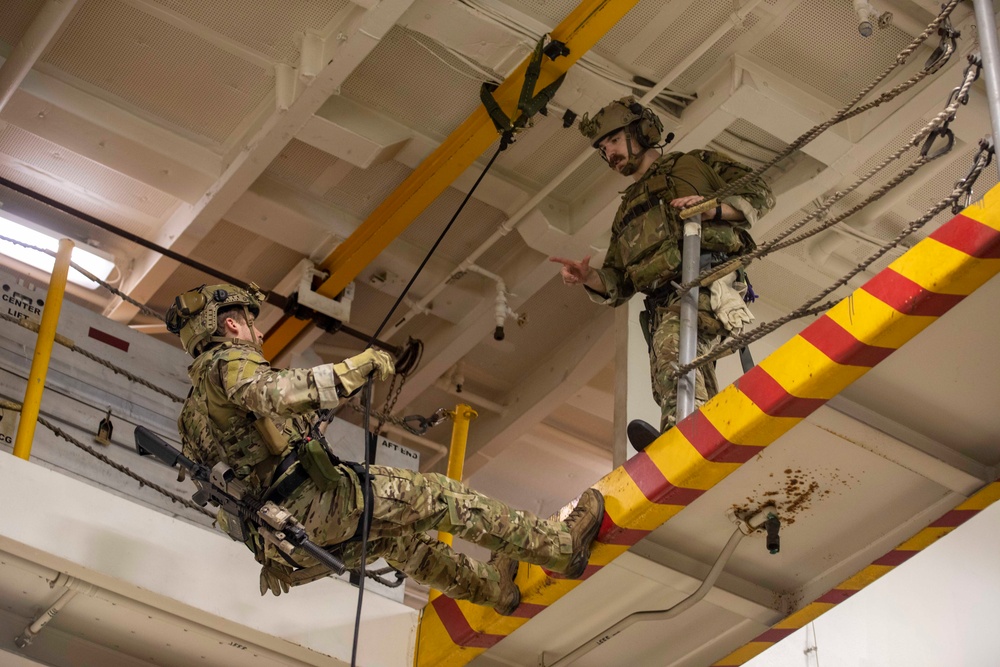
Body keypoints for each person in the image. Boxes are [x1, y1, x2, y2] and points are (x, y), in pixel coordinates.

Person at [167, 283, 604, 615]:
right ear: (230, 324)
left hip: (288, 547)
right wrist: (356, 368)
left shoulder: (191, 415)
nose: (258, 332)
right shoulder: (227, 363)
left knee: (397, 543)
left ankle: (494, 590)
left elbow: (225, 495)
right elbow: (277, 392)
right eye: (250, 321)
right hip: (317, 504)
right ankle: (561, 547)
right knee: (437, 497)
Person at [551, 97, 774, 444]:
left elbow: (759, 192)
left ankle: (683, 438)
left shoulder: (693, 164)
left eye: (613, 140)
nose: (608, 153)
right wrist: (588, 278)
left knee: (674, 357)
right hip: (664, 303)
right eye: (603, 148)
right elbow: (618, 280)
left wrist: (712, 210)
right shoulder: (626, 213)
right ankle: (707, 437)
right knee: (677, 370)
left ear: (641, 132)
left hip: (707, 282)